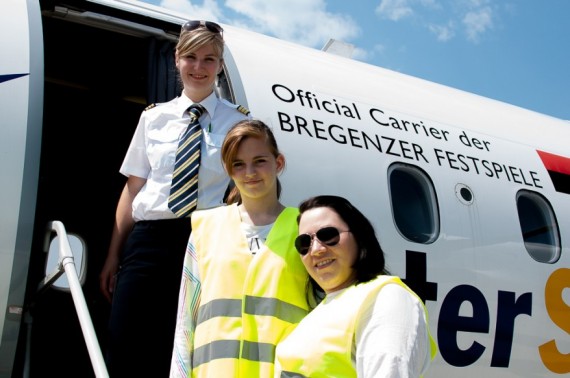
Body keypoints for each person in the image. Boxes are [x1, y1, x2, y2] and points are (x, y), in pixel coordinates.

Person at [99, 20, 251, 377]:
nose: (199, 68)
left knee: (185, 346)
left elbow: (244, 189)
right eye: (191, 57)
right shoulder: (153, 119)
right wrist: (112, 255)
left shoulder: (239, 125)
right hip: (147, 241)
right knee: (125, 342)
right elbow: (133, 189)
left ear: (220, 64)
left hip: (203, 242)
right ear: (177, 59)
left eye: (209, 59)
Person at [169, 119, 311, 378]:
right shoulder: (205, 228)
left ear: (278, 163)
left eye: (259, 161)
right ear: (229, 171)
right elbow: (185, 319)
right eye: (238, 164)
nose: (250, 173)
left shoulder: (305, 228)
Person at [275, 195, 437, 378]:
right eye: (304, 243)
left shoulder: (386, 298)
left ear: (359, 237)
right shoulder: (321, 311)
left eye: (328, 235)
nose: (316, 250)